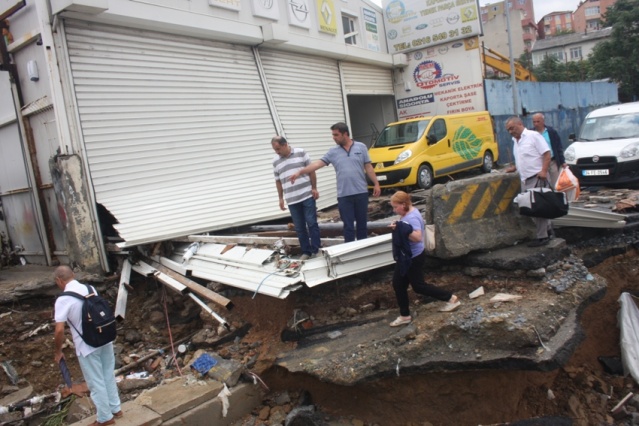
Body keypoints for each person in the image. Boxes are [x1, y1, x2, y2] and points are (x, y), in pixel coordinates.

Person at [289, 122, 381, 242]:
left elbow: (368, 167)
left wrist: (376, 183)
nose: (334, 138)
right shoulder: (333, 152)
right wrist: (300, 172)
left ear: (345, 134)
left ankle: (362, 248)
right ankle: (350, 250)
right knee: (348, 226)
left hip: (361, 193)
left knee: (362, 224)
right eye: (333, 135)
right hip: (344, 195)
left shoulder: (361, 147)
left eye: (336, 135)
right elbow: (317, 164)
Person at [53, 265, 122, 426]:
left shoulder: (63, 300)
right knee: (108, 375)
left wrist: (58, 351)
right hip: (105, 338)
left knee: (95, 381)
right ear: (73, 275)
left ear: (59, 280)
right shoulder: (90, 288)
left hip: (87, 346)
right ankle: (116, 408)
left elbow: (59, 330)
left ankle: (105, 418)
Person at [388, 191, 459, 327]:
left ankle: (451, 298)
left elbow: (417, 237)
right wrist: (399, 226)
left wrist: (400, 228)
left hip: (412, 257)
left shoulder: (412, 217)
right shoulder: (408, 214)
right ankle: (405, 315)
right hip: (409, 256)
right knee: (398, 284)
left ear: (403, 204)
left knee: (418, 286)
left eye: (395, 207)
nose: (394, 210)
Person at [504, 116, 553, 247]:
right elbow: (523, 157)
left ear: (520, 124)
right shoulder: (515, 140)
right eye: (508, 130)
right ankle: (548, 231)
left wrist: (543, 170)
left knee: (538, 208)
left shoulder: (533, 136)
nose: (510, 132)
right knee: (529, 208)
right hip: (525, 179)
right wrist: (515, 168)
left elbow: (547, 154)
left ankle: (543, 237)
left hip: (537, 177)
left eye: (512, 128)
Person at [271, 135, 321, 260]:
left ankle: (316, 250)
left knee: (312, 223)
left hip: (306, 195)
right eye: (275, 150)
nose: (277, 152)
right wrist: (280, 198)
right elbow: (278, 181)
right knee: (299, 227)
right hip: (292, 199)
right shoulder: (275, 161)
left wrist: (314, 188)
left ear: (285, 144)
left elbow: (311, 171)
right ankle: (306, 252)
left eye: (278, 149)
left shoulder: (301, 153)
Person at [531, 113, 567, 187]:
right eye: (534, 122)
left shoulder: (551, 132)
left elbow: (558, 147)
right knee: (542, 184)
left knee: (556, 182)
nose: (536, 124)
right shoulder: (531, 134)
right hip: (539, 163)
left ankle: (557, 196)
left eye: (538, 121)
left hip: (552, 161)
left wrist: (562, 161)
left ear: (543, 121)